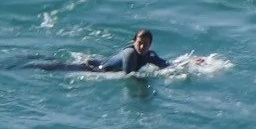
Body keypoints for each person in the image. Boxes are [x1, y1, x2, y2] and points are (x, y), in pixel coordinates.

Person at [31, 29, 172, 75]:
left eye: (145, 45)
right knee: (48, 67)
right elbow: (129, 77)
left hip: (98, 63)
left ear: (150, 45)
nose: (142, 47)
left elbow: (168, 66)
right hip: (92, 69)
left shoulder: (150, 55)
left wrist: (189, 62)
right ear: (133, 41)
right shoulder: (130, 54)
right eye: (139, 43)